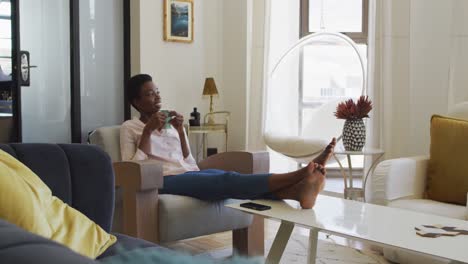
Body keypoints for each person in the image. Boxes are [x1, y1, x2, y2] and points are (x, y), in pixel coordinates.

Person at [120, 74, 336, 209]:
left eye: (157, 92)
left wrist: (180, 131)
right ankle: (298, 175)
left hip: (186, 173)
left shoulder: (169, 124)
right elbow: (131, 168)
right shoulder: (129, 128)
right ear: (136, 102)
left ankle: (297, 191)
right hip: (162, 181)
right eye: (150, 94)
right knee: (226, 179)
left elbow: (188, 160)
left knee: (230, 178)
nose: (157, 97)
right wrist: (148, 132)